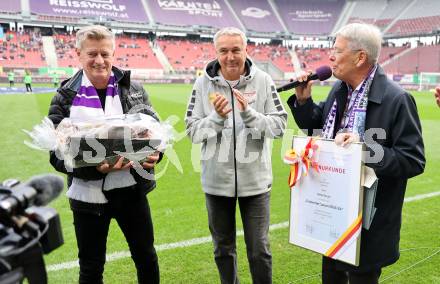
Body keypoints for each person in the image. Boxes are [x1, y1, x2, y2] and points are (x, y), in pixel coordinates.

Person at [287, 23, 425, 284]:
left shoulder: (397, 99)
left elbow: (413, 160)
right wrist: (304, 102)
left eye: (337, 51)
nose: (330, 57)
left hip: (368, 222)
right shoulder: (339, 90)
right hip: (333, 212)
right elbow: (319, 130)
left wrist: (363, 150)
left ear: (360, 57)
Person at [47, 25, 160, 284]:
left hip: (132, 190)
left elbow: (154, 131)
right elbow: (55, 155)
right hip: (87, 195)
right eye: (92, 54)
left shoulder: (133, 88)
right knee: (91, 266)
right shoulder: (65, 96)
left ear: (113, 53)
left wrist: (156, 155)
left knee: (145, 256)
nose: (100, 60)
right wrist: (92, 168)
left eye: (105, 54)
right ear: (79, 53)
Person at [185, 27, 287, 284]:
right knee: (223, 249)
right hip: (216, 183)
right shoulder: (202, 83)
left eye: (236, 50)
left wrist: (249, 115)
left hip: (256, 183)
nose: (230, 57)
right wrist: (216, 118)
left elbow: (279, 125)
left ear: (246, 50)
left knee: (259, 250)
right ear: (216, 52)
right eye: (224, 51)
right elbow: (192, 131)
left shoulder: (263, 80)